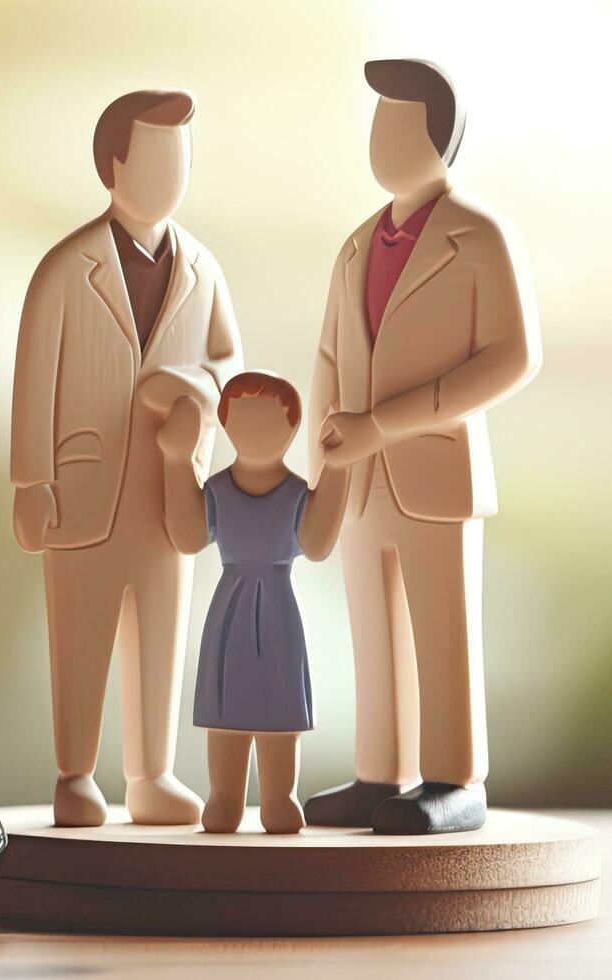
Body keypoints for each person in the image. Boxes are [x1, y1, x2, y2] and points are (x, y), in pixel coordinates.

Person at [302, 59, 541, 835]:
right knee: (371, 633)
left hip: (435, 472)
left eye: (398, 125)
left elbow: (511, 357)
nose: (381, 141)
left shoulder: (477, 238)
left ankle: (453, 777)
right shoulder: (352, 245)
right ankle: (381, 772)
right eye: (376, 123)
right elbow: (329, 361)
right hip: (358, 478)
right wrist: (323, 456)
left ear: (440, 141)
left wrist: (392, 419)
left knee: (441, 632)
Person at [10, 89, 245, 827]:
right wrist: (29, 479)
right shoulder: (64, 269)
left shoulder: (202, 268)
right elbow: (32, 377)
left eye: (181, 158)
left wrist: (196, 390)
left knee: (159, 638)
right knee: (79, 637)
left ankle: (150, 775)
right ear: (111, 164)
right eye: (153, 156)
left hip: (167, 488)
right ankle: (74, 774)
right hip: (80, 488)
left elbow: (228, 365)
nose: (169, 174)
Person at [161, 372, 352, 833]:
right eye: (243, 420)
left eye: (271, 421)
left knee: (279, 713)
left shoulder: (294, 495)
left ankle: (278, 797)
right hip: (229, 613)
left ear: (292, 427)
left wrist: (341, 466)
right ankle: (223, 795)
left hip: (279, 612)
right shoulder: (219, 491)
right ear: (225, 426)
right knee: (225, 711)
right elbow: (187, 536)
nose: (256, 433)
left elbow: (319, 543)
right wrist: (175, 459)